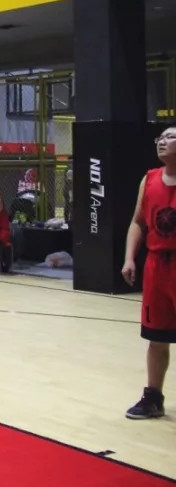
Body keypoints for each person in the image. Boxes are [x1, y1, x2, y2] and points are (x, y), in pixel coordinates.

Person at [121, 124, 176, 420]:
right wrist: (129, 258)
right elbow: (137, 222)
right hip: (156, 265)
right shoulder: (150, 179)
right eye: (161, 137)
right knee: (157, 337)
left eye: (171, 137)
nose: (162, 141)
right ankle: (153, 397)